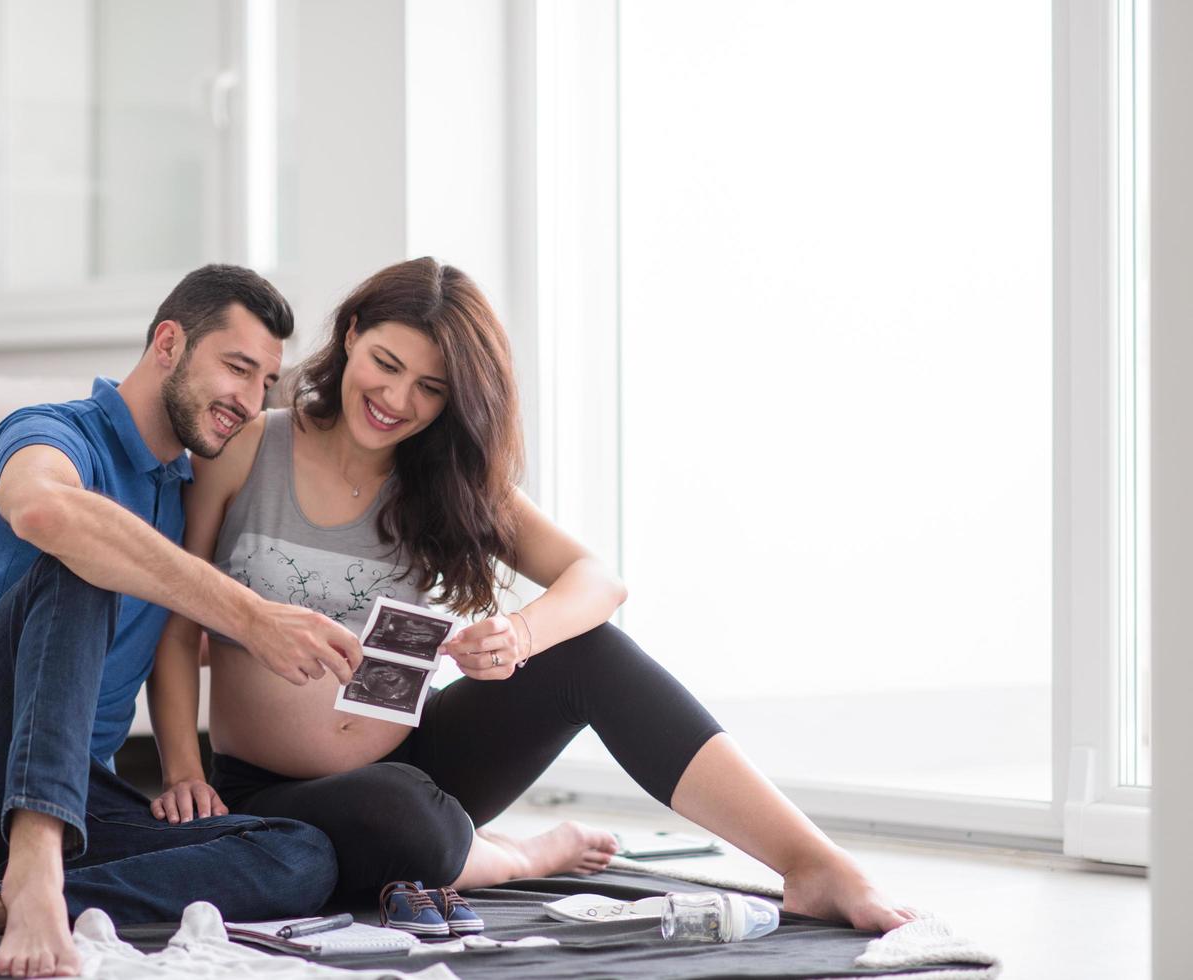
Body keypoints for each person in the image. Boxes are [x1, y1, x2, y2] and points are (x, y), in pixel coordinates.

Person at [146, 257, 915, 933]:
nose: (395, 399)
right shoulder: (249, 448)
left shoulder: (442, 485)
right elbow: (178, 620)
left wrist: (518, 633)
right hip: (279, 792)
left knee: (588, 652)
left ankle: (811, 862)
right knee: (403, 815)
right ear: (350, 335)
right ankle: (514, 858)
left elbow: (598, 580)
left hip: (420, 761)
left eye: (429, 388)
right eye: (385, 362)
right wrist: (183, 768)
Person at [0, 265, 362, 979]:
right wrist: (251, 617)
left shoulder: (182, 495)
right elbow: (43, 508)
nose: (251, 403)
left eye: (265, 385)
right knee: (83, 553)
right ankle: (33, 868)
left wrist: (181, 768)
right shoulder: (51, 431)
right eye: (237, 369)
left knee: (300, 856)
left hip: (76, 793)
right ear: (168, 343)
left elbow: (173, 637)